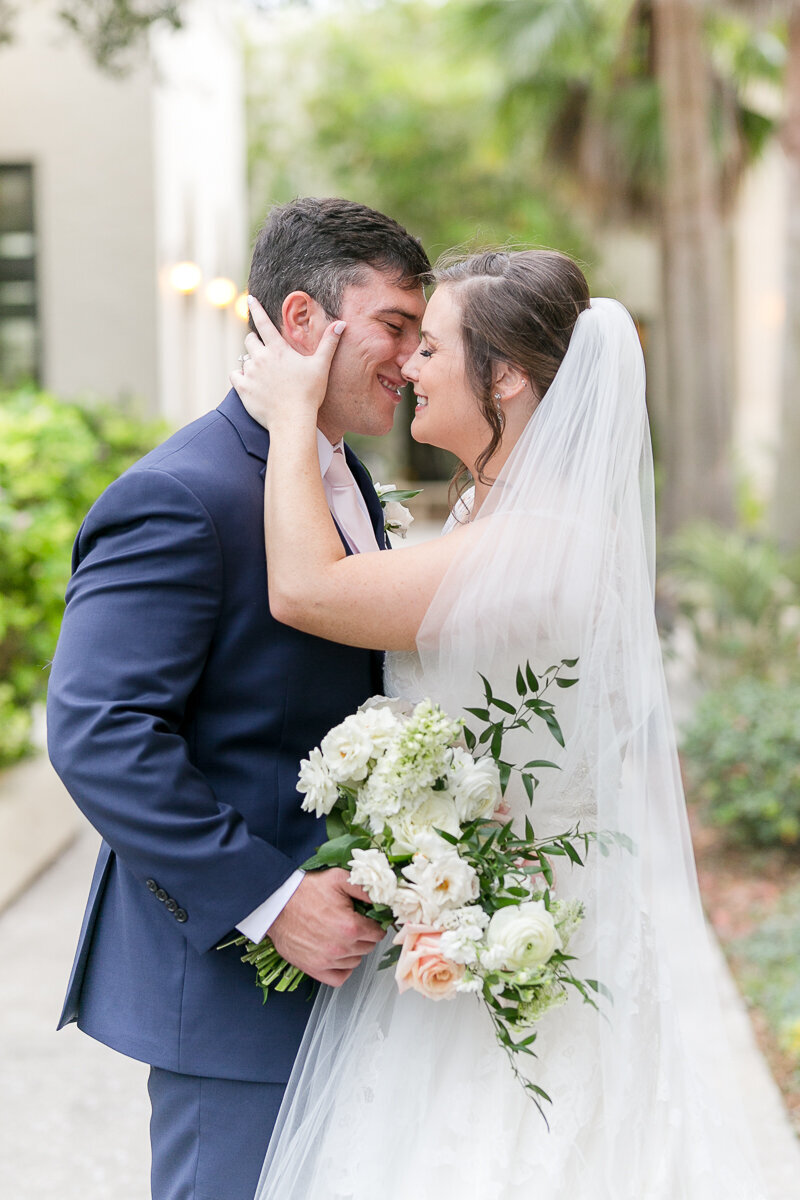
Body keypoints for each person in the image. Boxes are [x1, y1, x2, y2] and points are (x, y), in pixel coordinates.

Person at [233, 248, 768, 1198]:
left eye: (432, 346)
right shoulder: (492, 510)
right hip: (462, 924)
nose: (410, 367)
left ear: (508, 376)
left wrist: (284, 418)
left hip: (521, 943)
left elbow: (308, 588)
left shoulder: (542, 541)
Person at [46, 196, 430, 1200]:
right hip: (235, 989)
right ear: (302, 322)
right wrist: (269, 904)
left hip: (352, 977)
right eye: (393, 326)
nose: (411, 360)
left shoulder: (339, 477)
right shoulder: (183, 492)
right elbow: (98, 731)